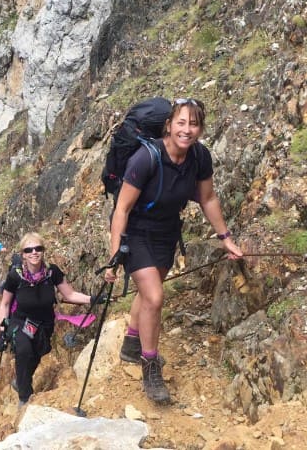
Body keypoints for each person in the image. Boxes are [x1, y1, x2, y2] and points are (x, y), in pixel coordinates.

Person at [104, 97, 243, 405]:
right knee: (154, 296)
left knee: (148, 293)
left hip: (167, 233)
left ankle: (131, 342)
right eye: (181, 122)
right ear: (169, 125)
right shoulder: (145, 158)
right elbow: (122, 208)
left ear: (201, 129)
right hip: (138, 233)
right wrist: (116, 252)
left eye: (193, 124)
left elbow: (207, 199)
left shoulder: (199, 157)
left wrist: (225, 237)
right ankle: (150, 367)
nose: (187, 130)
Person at [0, 232, 104, 407]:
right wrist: (3, 331)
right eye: (29, 249)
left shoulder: (52, 272)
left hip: (44, 323)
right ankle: (25, 396)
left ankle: (21, 380)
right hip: (21, 321)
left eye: (38, 248)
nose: (34, 252)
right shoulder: (15, 276)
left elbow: (69, 294)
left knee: (38, 353)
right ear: (23, 254)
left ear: (43, 251)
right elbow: (5, 304)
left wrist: (91, 299)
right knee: (24, 351)